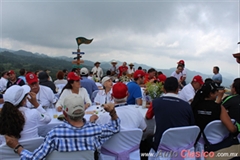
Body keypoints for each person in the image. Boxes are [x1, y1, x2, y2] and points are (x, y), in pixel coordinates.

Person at [4, 94, 120, 159]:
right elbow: (115, 127)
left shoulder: (55, 134)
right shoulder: (95, 130)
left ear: (64, 114)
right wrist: (112, 112)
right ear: (84, 112)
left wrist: (17, 147)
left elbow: (35, 158)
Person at [152, 77, 195, 151]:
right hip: (182, 146)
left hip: (161, 145)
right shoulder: (186, 105)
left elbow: (148, 116)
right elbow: (192, 125)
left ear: (164, 89)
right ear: (177, 89)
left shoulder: (156, 102)